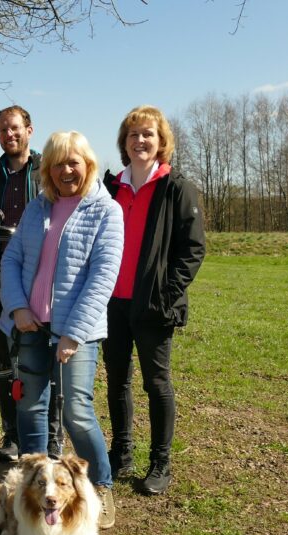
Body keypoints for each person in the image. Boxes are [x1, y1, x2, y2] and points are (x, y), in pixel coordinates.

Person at [0, 130, 123, 530]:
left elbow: (103, 278)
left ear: (87, 164)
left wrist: (74, 333)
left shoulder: (107, 211)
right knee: (30, 405)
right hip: (31, 323)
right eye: (58, 163)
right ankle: (33, 488)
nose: (67, 170)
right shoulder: (39, 207)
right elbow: (11, 260)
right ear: (47, 169)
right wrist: (17, 307)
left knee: (77, 412)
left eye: (74, 162)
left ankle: (99, 487)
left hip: (76, 330)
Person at [102, 105, 206, 496]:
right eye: (133, 135)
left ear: (162, 142)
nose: (140, 141)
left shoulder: (176, 187)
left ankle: (160, 462)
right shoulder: (112, 187)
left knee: (157, 384)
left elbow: (192, 249)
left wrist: (166, 294)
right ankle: (120, 452)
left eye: (148, 134)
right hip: (112, 303)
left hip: (153, 306)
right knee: (116, 382)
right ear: (124, 143)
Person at [0, 105, 61, 463]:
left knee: (42, 366)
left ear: (30, 130)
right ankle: (12, 436)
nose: (10, 134)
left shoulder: (48, 173)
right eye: (3, 130)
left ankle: (50, 439)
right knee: (4, 365)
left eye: (15, 128)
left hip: (40, 286)